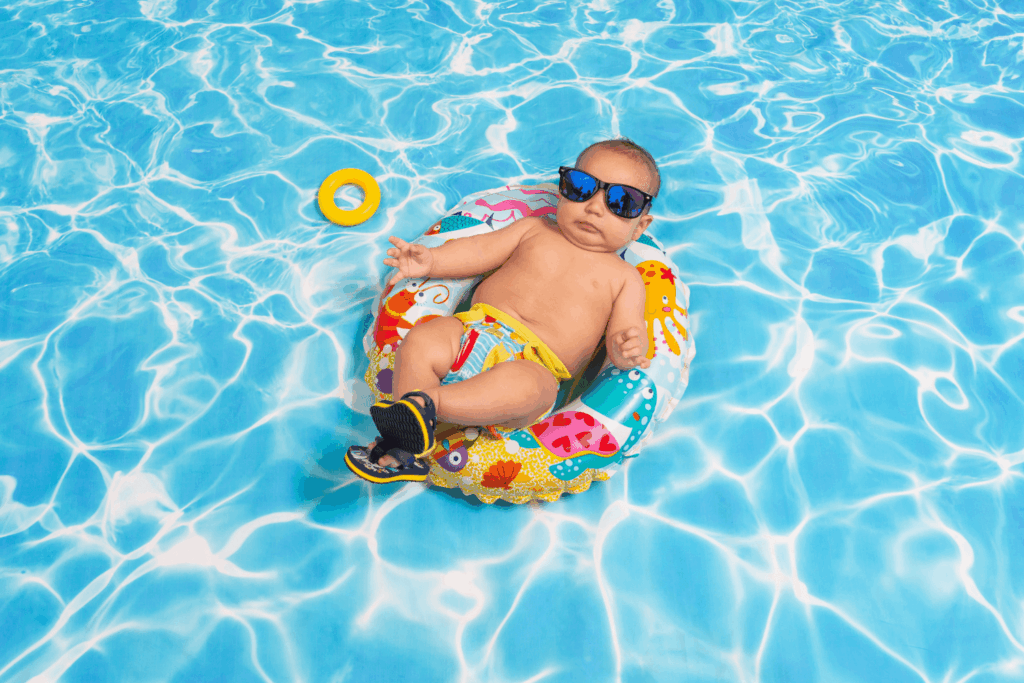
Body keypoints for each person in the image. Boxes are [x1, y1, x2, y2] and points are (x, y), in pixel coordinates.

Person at [346, 138, 660, 483]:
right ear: (562, 190)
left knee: (530, 386)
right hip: (471, 333)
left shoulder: (625, 278)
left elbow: (626, 332)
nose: (595, 207)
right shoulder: (533, 230)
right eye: (582, 187)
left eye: (621, 202)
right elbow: (479, 251)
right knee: (424, 339)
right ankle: (406, 445)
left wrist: (626, 348)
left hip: (535, 363)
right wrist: (430, 260)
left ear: (640, 226)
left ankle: (424, 406)